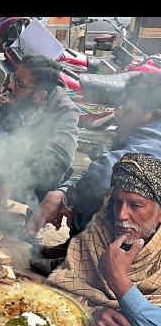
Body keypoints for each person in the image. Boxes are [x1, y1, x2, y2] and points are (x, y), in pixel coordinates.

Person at [47, 153, 161, 326]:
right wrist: (89, 313)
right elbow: (59, 291)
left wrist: (119, 282)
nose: (121, 214)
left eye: (136, 205)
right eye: (117, 201)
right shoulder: (100, 229)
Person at [26, 72, 161, 238]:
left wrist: (67, 198)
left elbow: (106, 173)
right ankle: (76, 249)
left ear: (154, 116)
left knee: (99, 199)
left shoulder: (155, 139)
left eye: (128, 111)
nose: (118, 114)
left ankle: (94, 258)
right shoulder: (146, 131)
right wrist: (65, 190)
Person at [0, 55, 80, 218]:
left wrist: (12, 182)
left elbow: (60, 158)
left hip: (39, 176)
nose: (11, 86)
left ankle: (36, 217)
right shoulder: (13, 99)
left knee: (53, 165)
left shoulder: (65, 111)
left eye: (19, 84)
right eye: (13, 79)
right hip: (15, 164)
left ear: (39, 97)